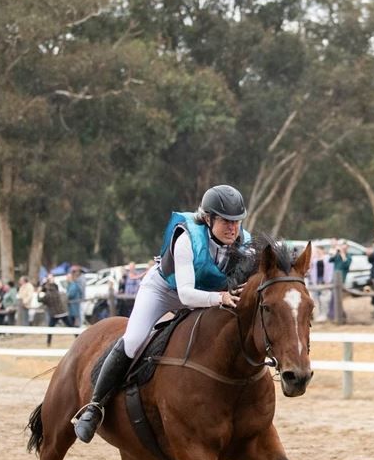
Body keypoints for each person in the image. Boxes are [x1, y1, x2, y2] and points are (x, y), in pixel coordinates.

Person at [73, 184, 253, 443]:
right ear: (209, 218)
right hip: (164, 291)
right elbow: (186, 295)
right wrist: (221, 297)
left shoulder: (244, 243)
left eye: (237, 221)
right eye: (226, 221)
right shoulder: (186, 238)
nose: (232, 228)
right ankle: (94, 407)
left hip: (206, 297)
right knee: (134, 340)